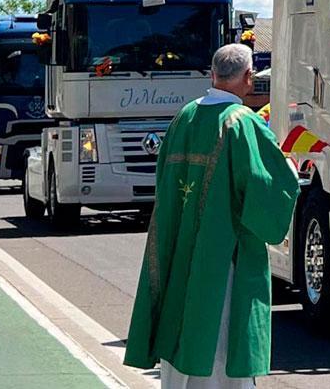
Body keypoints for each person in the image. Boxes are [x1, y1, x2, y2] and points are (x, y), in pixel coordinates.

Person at [124, 44, 300, 388]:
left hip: (179, 250)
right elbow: (268, 187)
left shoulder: (183, 117)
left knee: (180, 335)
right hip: (223, 259)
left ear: (212, 74)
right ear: (249, 78)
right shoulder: (242, 123)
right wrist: (291, 171)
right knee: (220, 348)